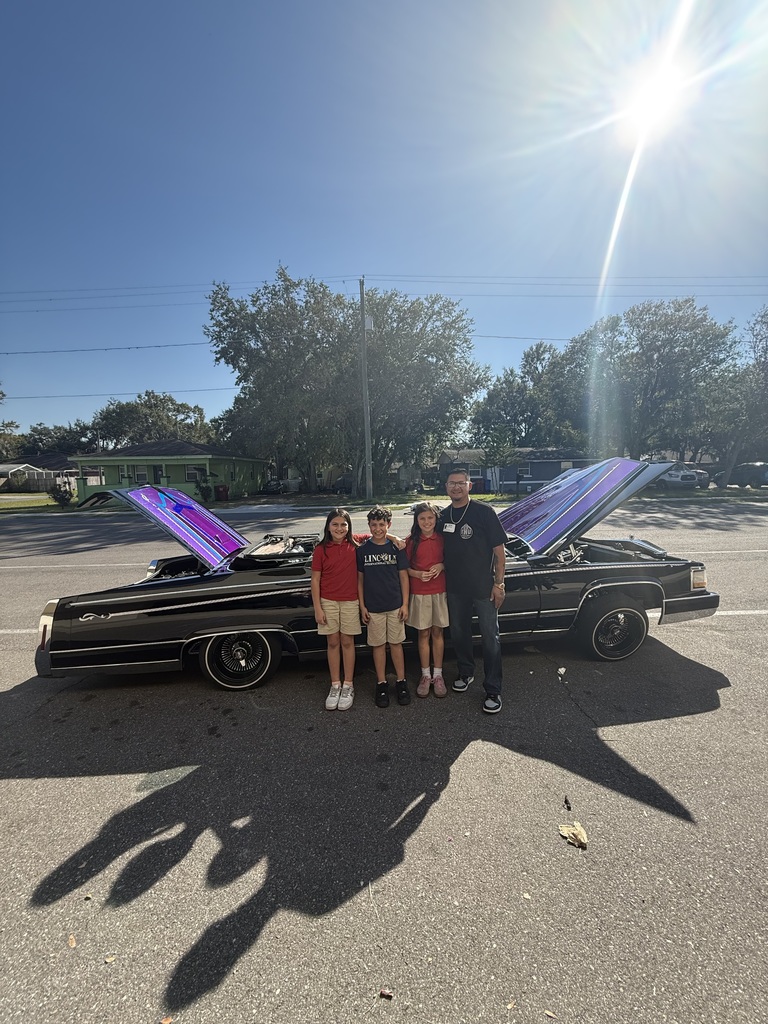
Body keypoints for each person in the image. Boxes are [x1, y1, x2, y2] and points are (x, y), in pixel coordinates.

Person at [438, 469, 508, 714]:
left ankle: (493, 689)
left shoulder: (484, 513)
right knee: (459, 634)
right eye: (451, 483)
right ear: (446, 486)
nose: (456, 487)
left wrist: (499, 584)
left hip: (483, 589)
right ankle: (466, 672)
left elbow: (500, 553)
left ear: (469, 486)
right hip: (455, 589)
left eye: (460, 483)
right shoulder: (443, 515)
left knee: (491, 638)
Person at [357, 506, 411, 708]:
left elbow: (404, 577)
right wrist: (362, 606)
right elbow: (360, 580)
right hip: (373, 607)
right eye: (374, 525)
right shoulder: (362, 550)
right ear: (369, 526)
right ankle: (381, 683)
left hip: (395, 605)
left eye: (381, 525)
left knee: (396, 644)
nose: (377, 529)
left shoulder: (396, 548)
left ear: (388, 526)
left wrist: (405, 604)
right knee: (378, 646)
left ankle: (401, 681)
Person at [311, 508, 363, 711]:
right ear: (328, 526)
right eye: (335, 524)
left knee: (347, 641)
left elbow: (378, 533)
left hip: (350, 601)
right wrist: (318, 608)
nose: (339, 528)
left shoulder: (356, 545)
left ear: (349, 527)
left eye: (343, 524)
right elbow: (315, 580)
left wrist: (394, 538)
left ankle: (348, 684)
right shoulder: (321, 549)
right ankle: (335, 684)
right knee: (333, 642)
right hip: (328, 601)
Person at [406, 501, 448, 698]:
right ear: (417, 520)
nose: (427, 522)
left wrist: (442, 565)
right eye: (422, 518)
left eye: (430, 518)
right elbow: (403, 568)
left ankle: (438, 674)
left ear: (436, 519)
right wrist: (416, 574)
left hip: (440, 591)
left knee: (437, 632)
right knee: (423, 634)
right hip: (420, 593)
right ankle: (425, 674)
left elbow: (453, 559)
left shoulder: (443, 539)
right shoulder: (411, 541)